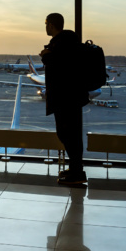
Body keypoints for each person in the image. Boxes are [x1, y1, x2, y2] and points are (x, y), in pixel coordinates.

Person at [40, 13, 89, 186]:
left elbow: (62, 69)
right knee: (71, 134)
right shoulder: (69, 42)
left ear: (52, 25)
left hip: (65, 98)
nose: (45, 27)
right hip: (72, 97)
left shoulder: (62, 44)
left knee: (68, 134)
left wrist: (46, 56)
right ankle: (75, 168)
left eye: (46, 23)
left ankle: (77, 172)